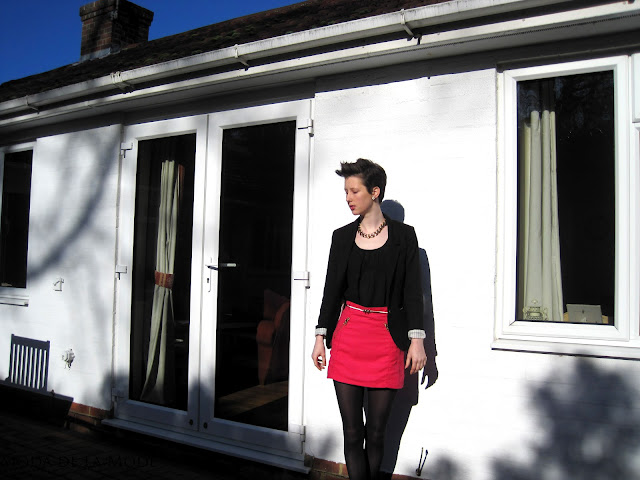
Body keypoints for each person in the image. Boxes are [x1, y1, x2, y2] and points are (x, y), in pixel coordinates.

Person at [311, 158, 427, 480]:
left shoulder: (404, 237)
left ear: (374, 192)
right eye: (346, 192)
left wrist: (417, 341)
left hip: (387, 339)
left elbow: (413, 292)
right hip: (348, 337)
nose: (348, 198)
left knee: (376, 432)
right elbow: (331, 292)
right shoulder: (341, 237)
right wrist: (320, 337)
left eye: (354, 191)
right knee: (352, 432)